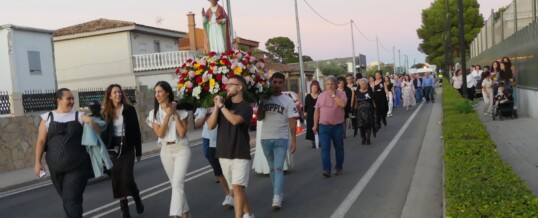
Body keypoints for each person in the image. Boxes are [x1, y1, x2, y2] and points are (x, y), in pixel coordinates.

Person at [34, 88, 99, 218]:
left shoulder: (79, 116)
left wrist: (91, 122)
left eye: (72, 98)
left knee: (71, 199)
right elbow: (41, 141)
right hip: (55, 169)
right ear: (59, 100)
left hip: (78, 167)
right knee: (68, 199)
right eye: (68, 98)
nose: (72, 101)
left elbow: (97, 133)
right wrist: (37, 162)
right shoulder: (47, 118)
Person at [207, 75, 254, 218]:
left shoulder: (246, 107)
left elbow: (235, 120)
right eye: (226, 84)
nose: (227, 87)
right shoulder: (224, 105)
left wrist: (221, 106)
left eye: (231, 84)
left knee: (237, 188)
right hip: (223, 152)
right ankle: (248, 213)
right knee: (236, 187)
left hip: (240, 153)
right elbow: (210, 125)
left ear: (239, 88)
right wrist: (217, 106)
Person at [146, 81, 191, 218]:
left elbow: (182, 132)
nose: (157, 95)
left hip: (181, 149)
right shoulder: (153, 113)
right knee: (176, 186)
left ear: (167, 93)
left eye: (159, 91)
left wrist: (174, 113)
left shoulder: (181, 111)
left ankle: (175, 215)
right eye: (155, 92)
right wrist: (167, 115)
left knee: (177, 184)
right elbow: (160, 134)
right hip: (165, 151)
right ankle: (186, 215)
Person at [255, 72, 298, 210]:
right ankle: (277, 192)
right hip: (266, 138)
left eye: (280, 82)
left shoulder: (288, 101)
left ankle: (277, 196)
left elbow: (292, 121)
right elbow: (260, 118)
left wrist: (294, 141)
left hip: (281, 137)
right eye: (275, 82)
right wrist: (261, 102)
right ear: (271, 82)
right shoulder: (265, 98)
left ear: (283, 83)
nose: (277, 85)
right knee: (272, 168)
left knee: (279, 167)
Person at [101, 84, 144, 218]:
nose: (118, 94)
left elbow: (136, 131)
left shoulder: (129, 110)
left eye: (119, 92)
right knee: (117, 180)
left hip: (128, 146)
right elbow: (103, 133)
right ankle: (124, 209)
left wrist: (139, 151)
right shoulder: (105, 112)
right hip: (113, 149)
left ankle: (136, 197)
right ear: (109, 95)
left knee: (127, 179)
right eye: (114, 93)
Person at [194, 107, 234, 208]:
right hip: (210, 139)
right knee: (217, 169)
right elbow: (197, 124)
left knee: (228, 170)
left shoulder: (224, 105)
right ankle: (228, 195)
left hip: (223, 139)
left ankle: (234, 194)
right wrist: (205, 115)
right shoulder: (202, 107)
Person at [312, 76, 347, 177]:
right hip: (324, 126)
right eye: (327, 84)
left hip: (337, 126)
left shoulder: (342, 93)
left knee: (339, 148)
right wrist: (315, 125)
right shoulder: (321, 95)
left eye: (331, 84)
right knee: (325, 149)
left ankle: (338, 168)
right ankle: (326, 169)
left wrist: (333, 95)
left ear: (336, 85)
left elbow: (343, 105)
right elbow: (317, 111)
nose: (329, 86)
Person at [354, 78, 376, 145]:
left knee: (368, 125)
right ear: (359, 85)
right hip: (360, 111)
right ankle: (363, 137)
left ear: (366, 84)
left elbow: (373, 100)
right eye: (361, 84)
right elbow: (356, 102)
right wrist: (354, 110)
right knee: (361, 126)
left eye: (364, 84)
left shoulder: (369, 91)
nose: (363, 85)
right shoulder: (357, 92)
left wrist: (375, 108)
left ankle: (368, 139)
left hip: (369, 111)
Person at [304, 80, 321, 148]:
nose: (314, 89)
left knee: (318, 127)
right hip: (310, 114)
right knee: (310, 128)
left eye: (316, 87)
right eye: (313, 87)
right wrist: (305, 113)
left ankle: (318, 141)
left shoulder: (320, 96)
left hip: (319, 114)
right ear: (311, 88)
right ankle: (313, 142)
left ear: (318, 88)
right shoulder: (308, 96)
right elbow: (306, 106)